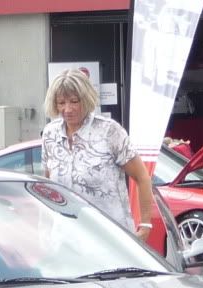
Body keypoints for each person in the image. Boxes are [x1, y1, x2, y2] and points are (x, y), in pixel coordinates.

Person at [40, 69, 153, 237]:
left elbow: (142, 177)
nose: (67, 109)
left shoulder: (109, 131)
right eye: (61, 103)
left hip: (110, 237)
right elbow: (48, 186)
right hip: (65, 239)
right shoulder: (50, 134)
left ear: (85, 100)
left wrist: (145, 226)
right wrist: (45, 232)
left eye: (74, 101)